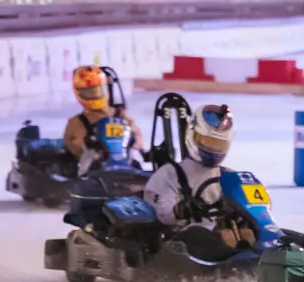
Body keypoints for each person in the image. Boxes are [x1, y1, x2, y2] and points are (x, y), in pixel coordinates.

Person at [145, 104, 248, 261]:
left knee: (252, 232)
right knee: (197, 233)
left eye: (219, 144)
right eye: (208, 142)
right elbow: (163, 213)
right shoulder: (170, 173)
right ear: (193, 135)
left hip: (220, 234)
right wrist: (181, 210)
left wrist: (242, 214)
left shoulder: (228, 175)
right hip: (183, 239)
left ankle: (272, 255)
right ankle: (235, 263)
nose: (213, 149)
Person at [62, 65, 141, 174]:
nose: (94, 95)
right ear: (78, 93)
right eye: (89, 92)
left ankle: (138, 176)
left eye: (97, 90)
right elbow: (73, 145)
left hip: (125, 160)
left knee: (135, 153)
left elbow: (137, 137)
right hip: (96, 167)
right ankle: (84, 180)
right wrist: (89, 144)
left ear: (105, 89)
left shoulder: (121, 115)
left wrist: (133, 142)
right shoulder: (77, 122)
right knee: (89, 155)